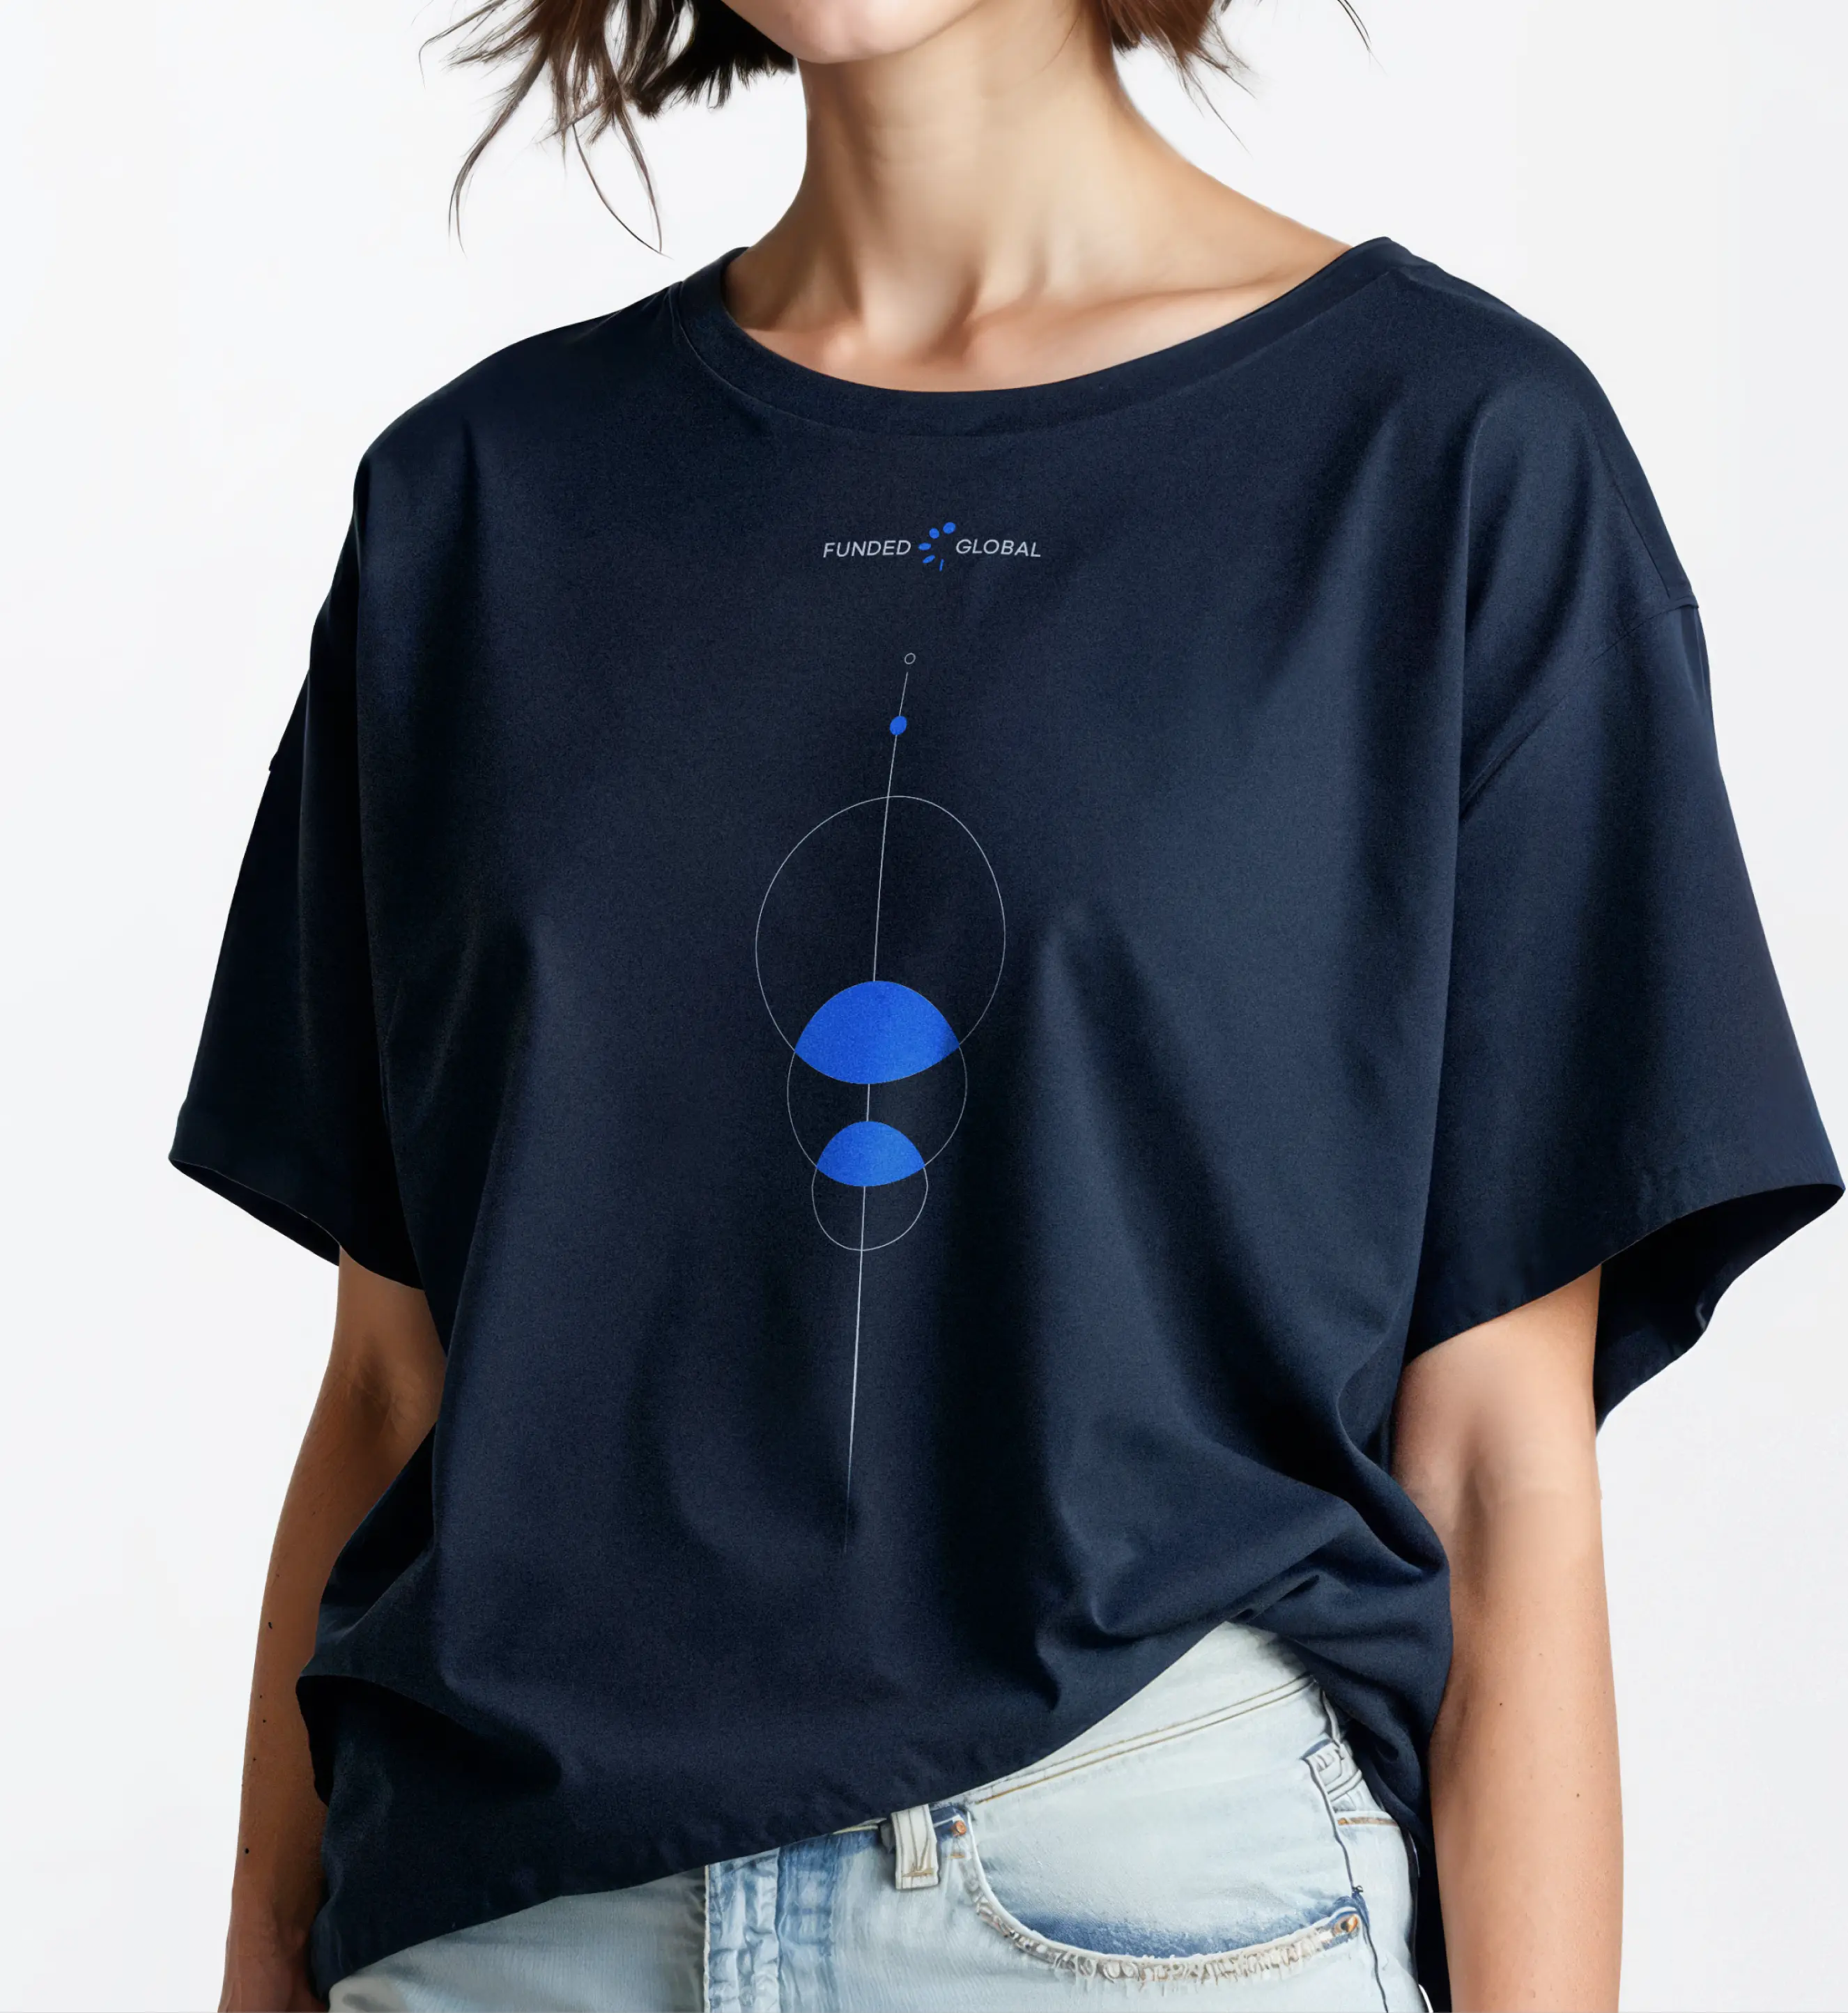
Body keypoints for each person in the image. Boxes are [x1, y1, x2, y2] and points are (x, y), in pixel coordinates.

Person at [171, 0, 1840, 2001]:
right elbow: (393, 1383)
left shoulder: (1446, 458)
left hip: (1138, 1906)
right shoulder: (484, 496)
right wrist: (263, 1954)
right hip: (500, 1930)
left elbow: (1495, 1454)